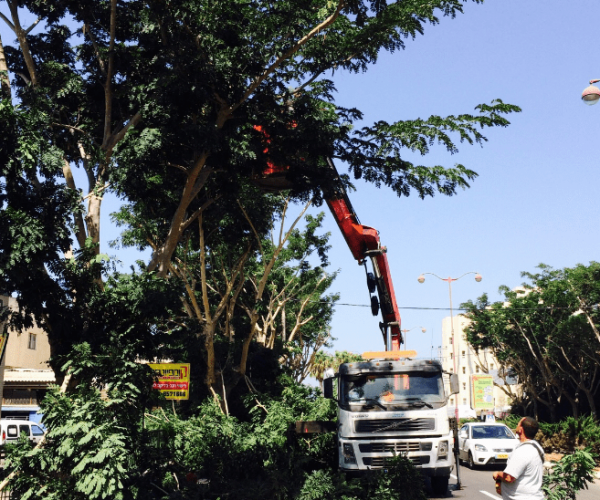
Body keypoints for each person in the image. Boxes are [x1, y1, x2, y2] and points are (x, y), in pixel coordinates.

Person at [492, 417, 545, 500]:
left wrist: (498, 474)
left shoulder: (524, 451)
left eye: (518, 424)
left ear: (520, 429)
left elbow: (509, 477)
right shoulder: (536, 446)